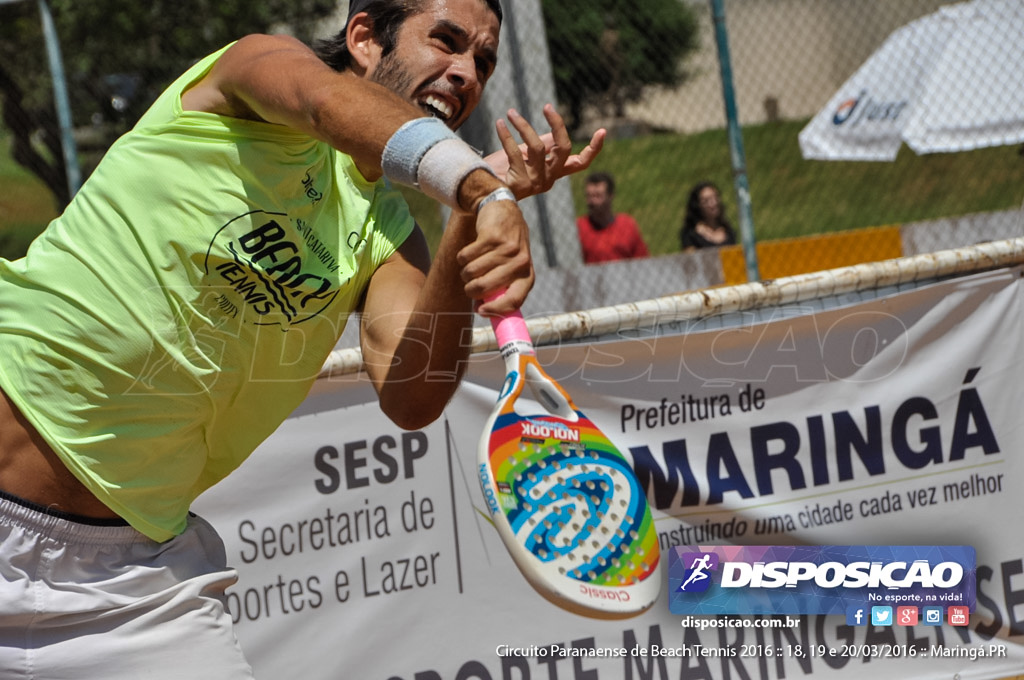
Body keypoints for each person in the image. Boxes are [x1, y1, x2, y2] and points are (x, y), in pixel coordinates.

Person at [0, 0, 606, 677]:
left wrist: (470, 214)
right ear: (365, 38)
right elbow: (324, 103)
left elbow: (411, 397)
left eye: (483, 62)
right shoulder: (251, 69)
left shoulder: (389, 231)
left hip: (132, 585)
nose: (466, 72)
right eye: (447, 41)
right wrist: (480, 187)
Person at [575, 171, 649, 264]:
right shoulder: (579, 228)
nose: (592, 201)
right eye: (589, 196)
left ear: (610, 196)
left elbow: (642, 259)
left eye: (598, 196)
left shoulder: (627, 225)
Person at [680, 181, 737, 251]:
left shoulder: (728, 231)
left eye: (715, 197)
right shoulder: (691, 234)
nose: (713, 203)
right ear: (697, 205)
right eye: (706, 201)